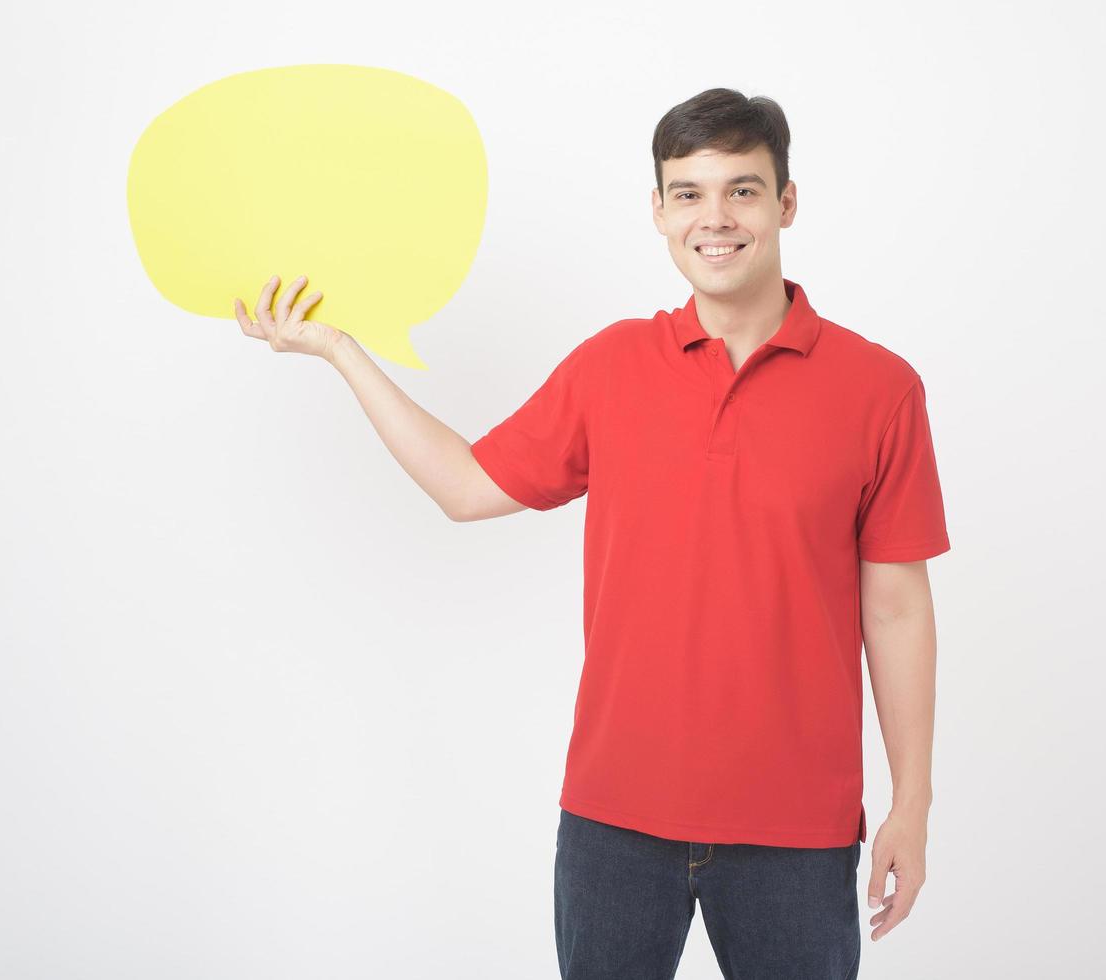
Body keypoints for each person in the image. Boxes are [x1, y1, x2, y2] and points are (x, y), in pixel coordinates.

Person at [233, 87, 950, 980]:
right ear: (657, 211)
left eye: (742, 189)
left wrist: (911, 804)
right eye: (687, 193)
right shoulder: (612, 367)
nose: (714, 217)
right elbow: (465, 486)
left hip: (796, 833)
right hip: (615, 826)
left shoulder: (879, 389)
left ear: (786, 202)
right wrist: (342, 350)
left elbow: (897, 612)